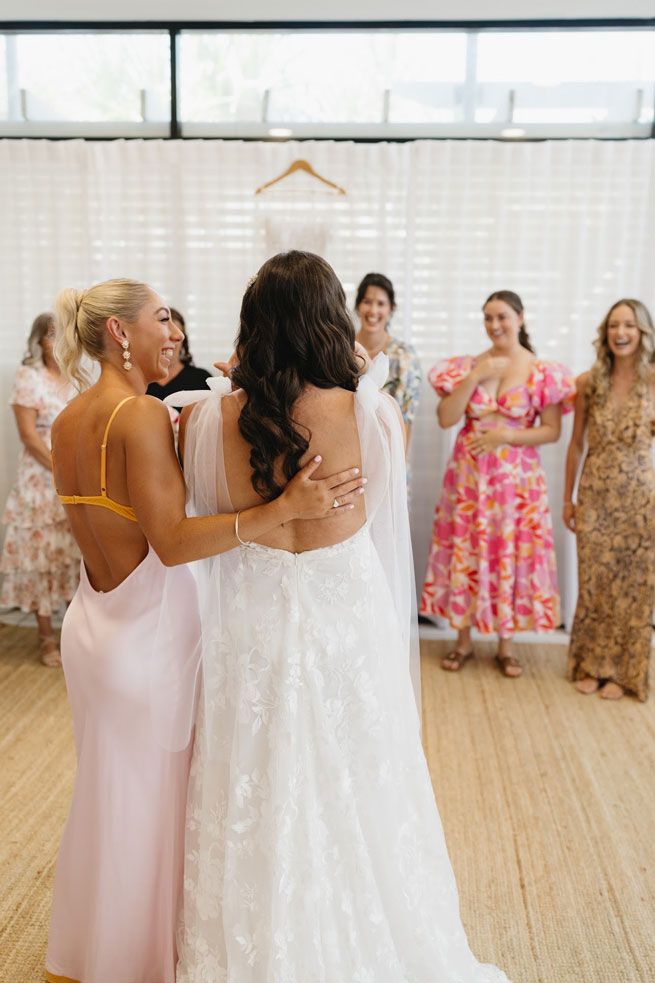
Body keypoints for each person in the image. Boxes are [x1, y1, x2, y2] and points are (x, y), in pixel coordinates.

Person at [174, 252, 510, 982]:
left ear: (253, 323)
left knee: (253, 778)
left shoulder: (206, 421)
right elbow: (381, 516)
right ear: (331, 318)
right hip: (344, 616)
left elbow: (201, 511)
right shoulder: (369, 410)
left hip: (253, 618)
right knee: (361, 778)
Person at [45, 277, 365, 983]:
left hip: (94, 623)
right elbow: (172, 542)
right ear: (118, 334)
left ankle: (86, 952)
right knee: (152, 810)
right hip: (148, 634)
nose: (177, 332)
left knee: (107, 795)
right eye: (162, 317)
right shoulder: (140, 416)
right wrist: (282, 508)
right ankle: (136, 962)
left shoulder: (69, 418)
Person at [420, 290, 574, 677]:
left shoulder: (542, 371)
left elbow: (552, 431)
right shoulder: (468, 366)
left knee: (510, 553)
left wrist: (505, 437)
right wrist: (475, 377)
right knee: (468, 551)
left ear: (520, 318)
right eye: (487, 317)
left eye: (502, 316)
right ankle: (463, 640)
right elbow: (445, 418)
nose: (494, 325)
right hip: (470, 482)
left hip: (517, 488)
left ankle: (506, 645)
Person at [564, 299, 655, 701]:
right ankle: (591, 664)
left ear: (643, 333)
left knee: (634, 586)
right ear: (605, 333)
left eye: (630, 326)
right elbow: (575, 444)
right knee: (595, 581)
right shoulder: (588, 382)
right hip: (596, 492)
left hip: (641, 496)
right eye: (615, 325)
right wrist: (567, 499)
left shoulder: (654, 380)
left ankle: (623, 672)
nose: (621, 333)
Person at [0, 312, 79, 667]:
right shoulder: (28, 377)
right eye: (50, 336)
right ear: (38, 341)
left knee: (71, 555)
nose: (57, 343)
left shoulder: (78, 379)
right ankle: (46, 635)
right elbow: (29, 436)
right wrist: (58, 468)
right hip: (40, 480)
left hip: (75, 478)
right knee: (41, 560)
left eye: (62, 336)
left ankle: (74, 634)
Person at [354, 272, 422, 449]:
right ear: (358, 305)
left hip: (389, 448)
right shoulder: (342, 349)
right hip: (349, 448)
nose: (373, 311)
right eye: (367, 302)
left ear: (391, 309)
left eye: (381, 304)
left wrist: (399, 467)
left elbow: (406, 418)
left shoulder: (404, 355)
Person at [146, 306, 211, 410]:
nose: (169, 342)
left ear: (182, 339)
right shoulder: (140, 379)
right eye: (164, 334)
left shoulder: (202, 379)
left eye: (175, 335)